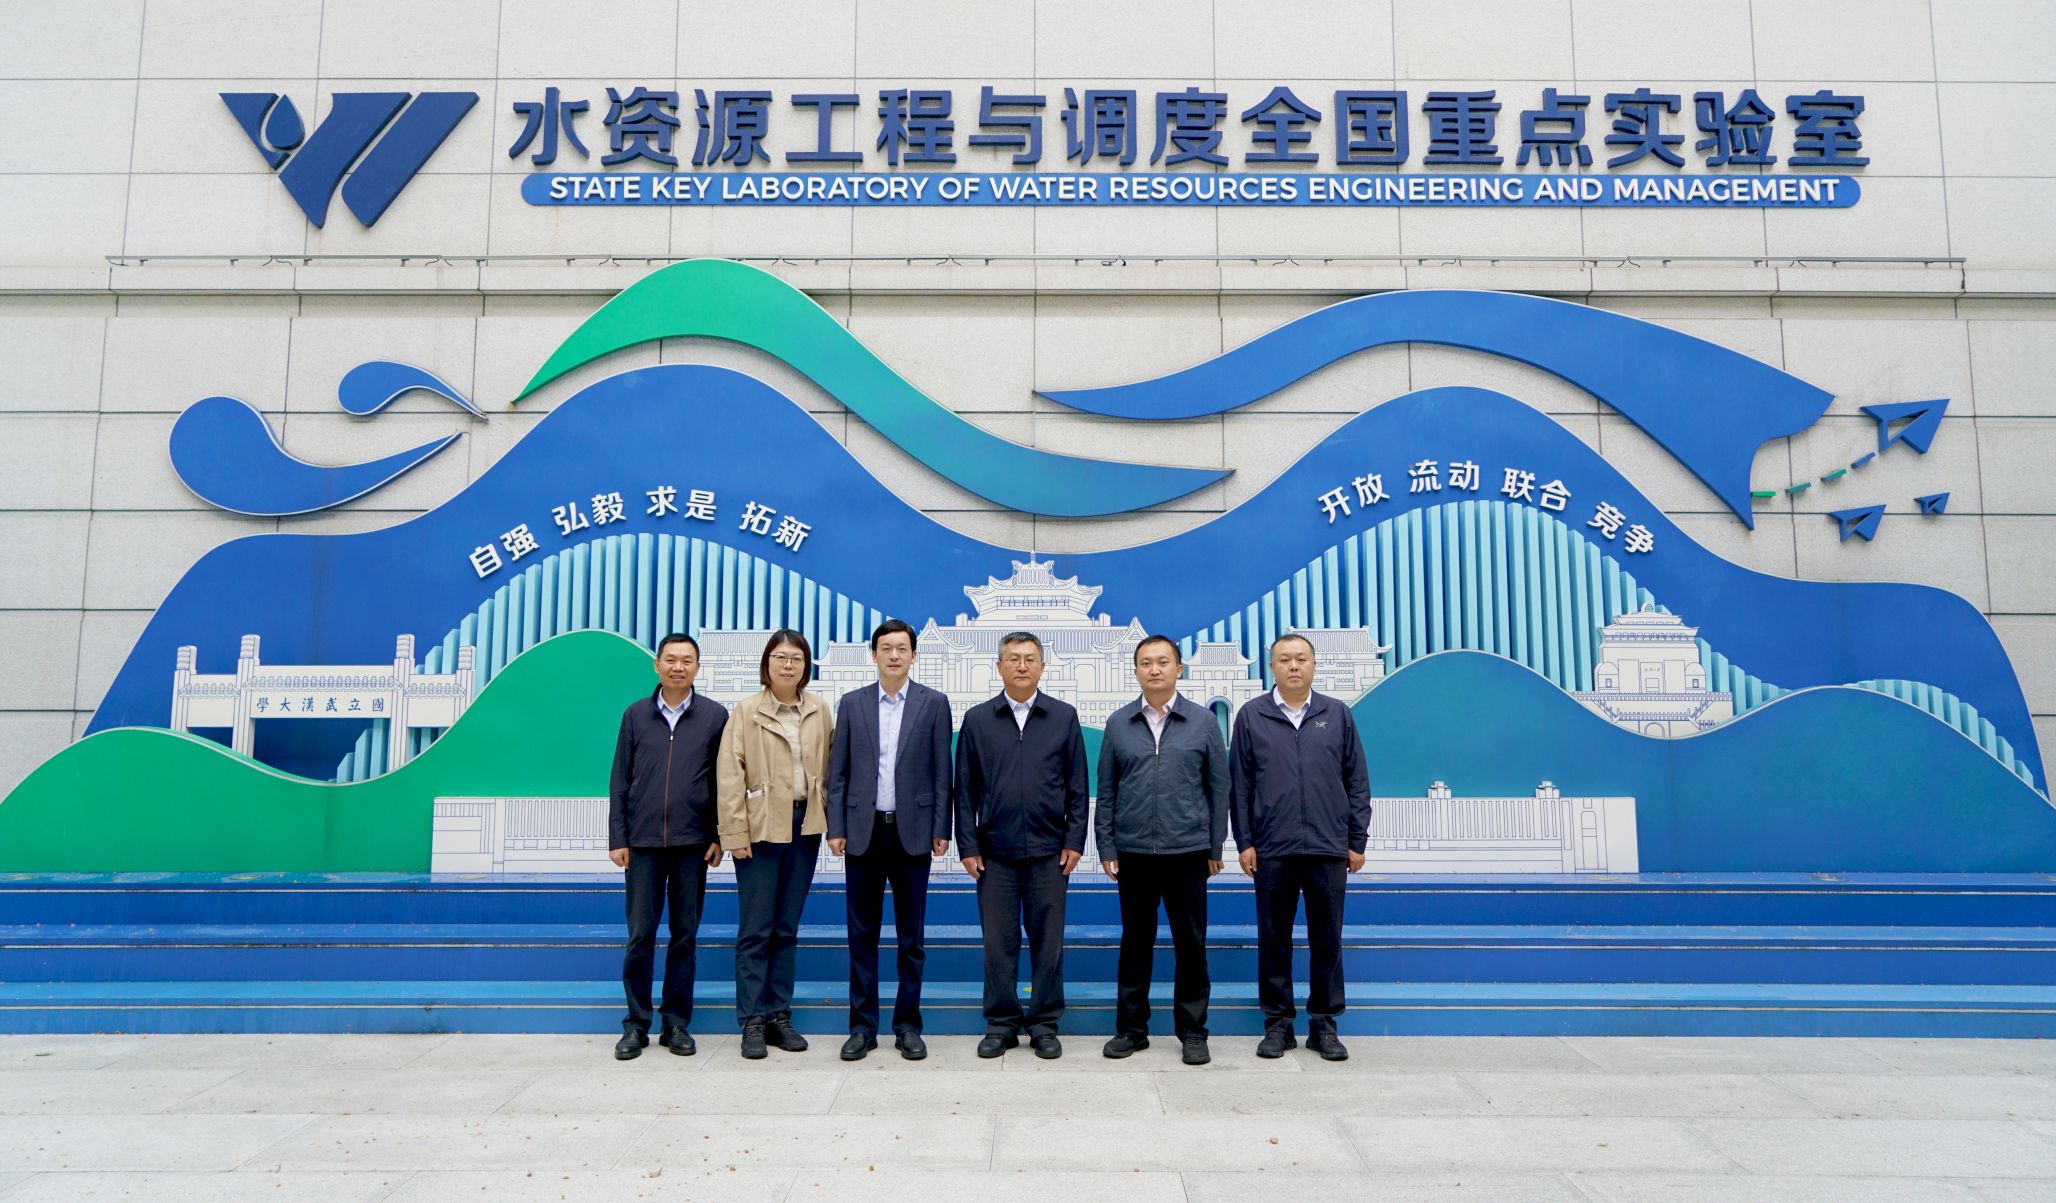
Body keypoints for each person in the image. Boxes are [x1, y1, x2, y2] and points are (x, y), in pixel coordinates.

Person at [1230, 633, 1371, 1062]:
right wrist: (1245, 841)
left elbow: (1357, 780)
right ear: (1272, 667)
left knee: (1327, 939)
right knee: (1274, 938)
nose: (1293, 666)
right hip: (1272, 848)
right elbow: (1240, 786)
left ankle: (1324, 1025)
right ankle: (1278, 1024)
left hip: (1328, 847)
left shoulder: (1337, 714)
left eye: (1301, 659)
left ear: (1313, 665)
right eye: (1285, 659)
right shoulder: (1252, 716)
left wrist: (1356, 840)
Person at [1096, 634, 1229, 1066]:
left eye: (1163, 662)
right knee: (1136, 945)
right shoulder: (1119, 723)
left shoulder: (1202, 722)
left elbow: (1218, 787)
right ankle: (1131, 1030)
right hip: (1133, 851)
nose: (1154, 669)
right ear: (1136, 670)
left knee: (1191, 945)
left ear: (1178, 669)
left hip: (1188, 850)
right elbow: (1107, 790)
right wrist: (1106, 844)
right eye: (1146, 663)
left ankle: (1193, 1032)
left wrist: (1214, 844)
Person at [954, 631, 1088, 1059]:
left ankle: (1044, 1024)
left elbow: (1078, 787)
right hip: (995, 854)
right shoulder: (978, 720)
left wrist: (1075, 840)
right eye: (1013, 658)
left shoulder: (1063, 717)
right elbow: (964, 791)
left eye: (1030, 658)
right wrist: (968, 845)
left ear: (1042, 666)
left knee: (1049, 944)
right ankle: (1001, 1023)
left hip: (1050, 853)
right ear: (999, 666)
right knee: (999, 944)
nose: (1022, 665)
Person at [825, 618, 953, 1061]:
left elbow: (942, 772)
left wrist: (941, 828)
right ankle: (862, 1028)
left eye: (902, 648)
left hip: (912, 834)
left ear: (914, 655)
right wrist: (836, 826)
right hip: (862, 834)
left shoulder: (933, 703)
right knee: (861, 935)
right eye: (886, 648)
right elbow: (838, 771)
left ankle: (908, 1026)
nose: (894, 655)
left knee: (910, 938)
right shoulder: (852, 703)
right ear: (874, 655)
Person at [608, 632, 727, 1060]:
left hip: (693, 843)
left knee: (684, 935)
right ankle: (636, 1024)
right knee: (640, 935)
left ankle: (676, 1023)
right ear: (656, 665)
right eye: (671, 659)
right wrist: (618, 838)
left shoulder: (714, 716)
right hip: (642, 844)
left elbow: (723, 781)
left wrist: (718, 835)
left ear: (697, 667)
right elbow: (620, 779)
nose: (678, 667)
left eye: (687, 660)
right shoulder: (635, 715)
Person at [716, 629, 832, 1059]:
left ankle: (779, 1015)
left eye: (796, 658)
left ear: (806, 666)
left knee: (786, 927)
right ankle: (752, 1020)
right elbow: (729, 774)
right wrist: (734, 834)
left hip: (805, 827)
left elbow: (832, 768)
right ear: (767, 663)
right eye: (781, 657)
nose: (788, 665)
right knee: (756, 929)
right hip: (760, 828)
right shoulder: (747, 711)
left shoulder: (819, 709)